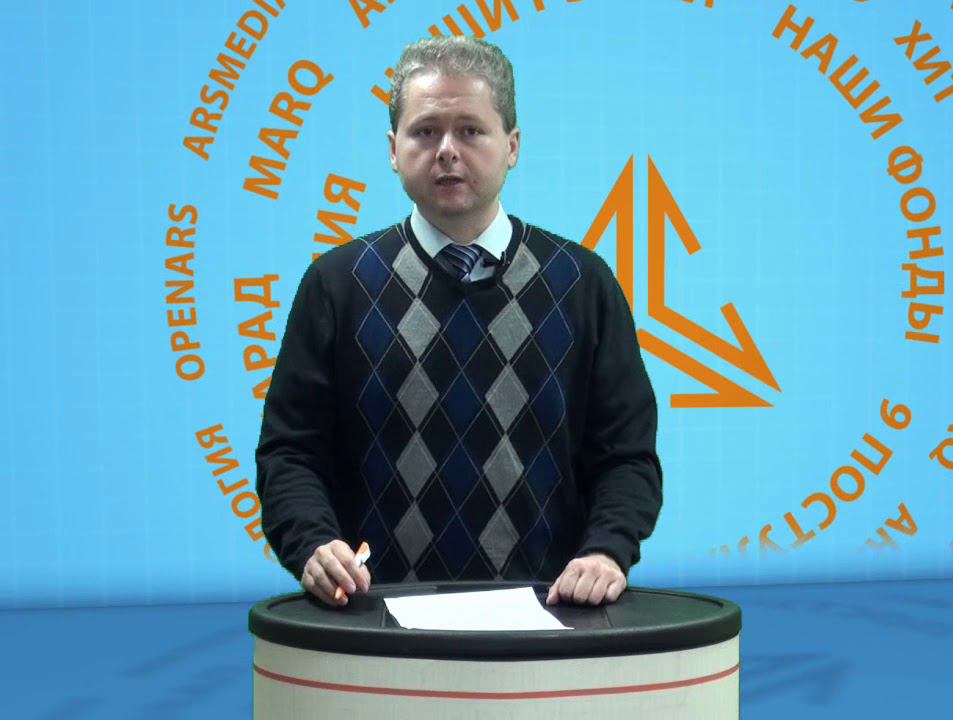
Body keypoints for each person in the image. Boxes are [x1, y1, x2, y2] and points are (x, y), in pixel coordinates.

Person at [255, 36, 662, 609]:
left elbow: (627, 455)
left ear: (512, 146)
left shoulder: (581, 283)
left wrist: (607, 550)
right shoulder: (337, 286)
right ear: (393, 149)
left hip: (550, 619)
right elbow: (290, 453)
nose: (447, 150)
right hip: (375, 622)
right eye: (425, 131)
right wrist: (313, 544)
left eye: (471, 130)